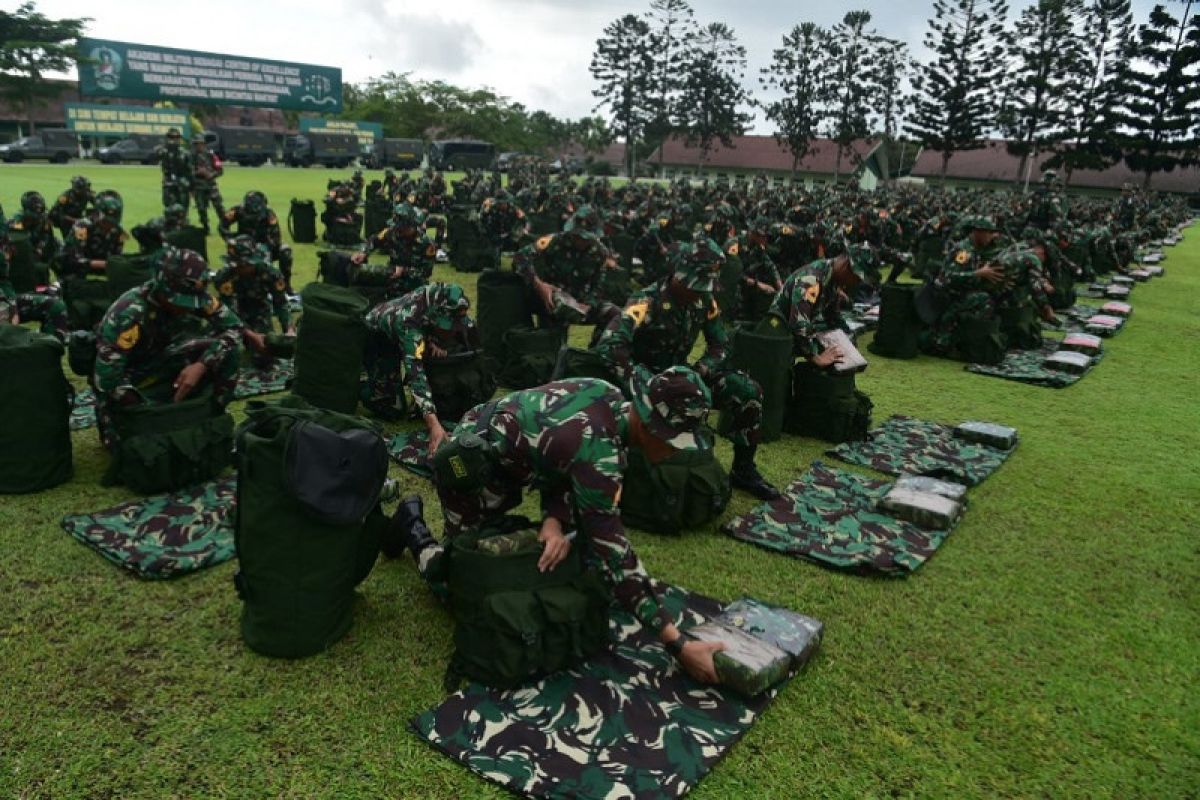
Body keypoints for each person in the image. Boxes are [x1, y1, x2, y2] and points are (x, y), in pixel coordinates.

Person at [391, 373, 728, 685]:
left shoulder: (609, 397)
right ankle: (412, 527)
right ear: (651, 425)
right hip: (469, 463)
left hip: (513, 457)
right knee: (463, 584)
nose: (673, 452)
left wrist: (555, 519)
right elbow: (614, 555)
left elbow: (558, 457)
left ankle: (484, 527)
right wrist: (677, 643)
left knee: (529, 551)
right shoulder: (599, 454)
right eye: (673, 441)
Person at [595, 235, 780, 500]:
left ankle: (743, 470)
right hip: (642, 384)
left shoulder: (704, 301)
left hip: (683, 380)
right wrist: (642, 380)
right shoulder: (645, 301)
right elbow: (610, 347)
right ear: (679, 274)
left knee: (748, 391)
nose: (700, 291)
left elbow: (721, 345)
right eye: (696, 284)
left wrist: (702, 369)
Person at [92, 248, 242, 450]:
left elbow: (234, 327)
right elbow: (108, 378)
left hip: (164, 359)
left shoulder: (195, 295)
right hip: (130, 377)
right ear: (162, 289)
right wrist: (156, 412)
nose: (188, 307)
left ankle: (211, 413)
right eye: (180, 301)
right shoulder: (128, 314)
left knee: (227, 351)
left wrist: (201, 364)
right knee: (140, 444)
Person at [362, 282, 477, 442]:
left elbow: (457, 326)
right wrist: (434, 425)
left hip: (406, 332)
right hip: (377, 339)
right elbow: (416, 374)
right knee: (391, 408)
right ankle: (362, 384)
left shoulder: (442, 299)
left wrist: (433, 341)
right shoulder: (409, 323)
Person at [513, 205, 621, 337]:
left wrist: (588, 304)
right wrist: (539, 284)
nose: (579, 241)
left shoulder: (600, 253)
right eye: (576, 235)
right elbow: (520, 256)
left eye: (585, 238)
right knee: (552, 342)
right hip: (550, 298)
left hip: (580, 301)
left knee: (615, 314)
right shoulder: (555, 240)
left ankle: (596, 353)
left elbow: (598, 284)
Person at [768, 243, 880, 364]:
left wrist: (848, 341)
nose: (855, 283)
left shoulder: (832, 279)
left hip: (793, 334)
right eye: (856, 278)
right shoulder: (812, 278)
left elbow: (832, 316)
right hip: (776, 334)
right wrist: (816, 357)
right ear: (846, 266)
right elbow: (798, 322)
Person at [919, 216, 1008, 358]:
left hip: (960, 293)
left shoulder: (976, 249)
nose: (991, 237)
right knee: (983, 299)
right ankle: (945, 338)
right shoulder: (964, 251)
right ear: (978, 232)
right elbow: (948, 278)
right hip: (948, 296)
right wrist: (977, 274)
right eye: (989, 233)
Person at [213, 235, 292, 364]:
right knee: (219, 354)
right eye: (235, 264)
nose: (238, 268)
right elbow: (228, 313)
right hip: (232, 314)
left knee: (264, 355)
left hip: (258, 310)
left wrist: (289, 329)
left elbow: (281, 303)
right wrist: (249, 334)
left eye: (242, 265)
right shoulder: (224, 278)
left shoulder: (270, 273)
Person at [351, 203, 436, 298]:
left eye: (399, 227)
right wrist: (363, 252)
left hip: (413, 285)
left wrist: (404, 270)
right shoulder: (391, 232)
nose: (396, 230)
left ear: (409, 226)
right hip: (391, 276)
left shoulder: (426, 244)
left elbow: (425, 273)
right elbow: (373, 241)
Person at [219, 191, 295, 292]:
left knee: (285, 251)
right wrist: (232, 240)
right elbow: (222, 226)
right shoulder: (237, 211)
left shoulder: (269, 213)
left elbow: (276, 236)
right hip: (242, 247)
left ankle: (286, 284)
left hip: (264, 246)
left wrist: (266, 248)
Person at [59, 194, 128, 279]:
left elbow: (116, 257)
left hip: (101, 265)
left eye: (112, 223)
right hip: (76, 265)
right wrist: (99, 264)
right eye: (106, 222)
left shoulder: (119, 233)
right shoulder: (82, 226)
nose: (109, 226)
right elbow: (73, 259)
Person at [190, 137, 225, 233]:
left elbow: (220, 170)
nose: (199, 146)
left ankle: (225, 226)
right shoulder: (191, 157)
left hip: (211, 186)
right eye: (197, 144)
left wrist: (210, 175)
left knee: (219, 207)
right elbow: (188, 172)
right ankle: (205, 227)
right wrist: (197, 173)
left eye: (201, 144)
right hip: (198, 187)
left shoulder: (211, 155)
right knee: (201, 209)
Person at [159, 128, 193, 215]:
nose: (174, 139)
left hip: (182, 183)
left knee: (183, 207)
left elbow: (190, 171)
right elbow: (153, 156)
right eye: (171, 137)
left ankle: (183, 224)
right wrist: (164, 147)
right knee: (169, 207)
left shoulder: (185, 153)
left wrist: (192, 188)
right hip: (169, 183)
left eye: (176, 137)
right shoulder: (163, 151)